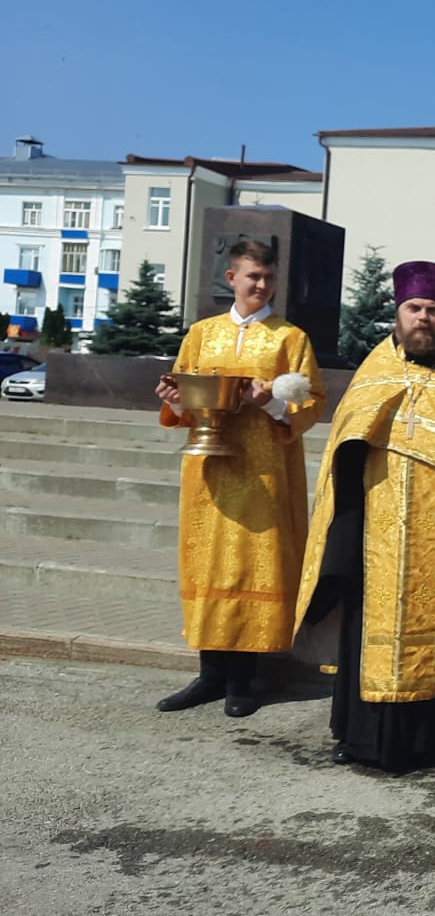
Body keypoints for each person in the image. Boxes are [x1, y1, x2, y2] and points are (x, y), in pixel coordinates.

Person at [295, 262, 435, 770]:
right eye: (414, 309)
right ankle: (361, 734)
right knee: (368, 629)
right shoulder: (376, 372)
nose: (423, 319)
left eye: (433, 310)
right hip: (376, 531)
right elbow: (343, 449)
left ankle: (430, 740)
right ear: (398, 313)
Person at [153, 238, 326, 717]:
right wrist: (173, 399)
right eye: (253, 276)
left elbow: (311, 403)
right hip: (209, 471)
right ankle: (210, 674)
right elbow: (186, 399)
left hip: (263, 469)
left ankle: (245, 679)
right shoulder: (202, 334)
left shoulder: (290, 338)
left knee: (255, 565)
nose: (262, 285)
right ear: (232, 278)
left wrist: (268, 403)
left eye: (269, 278)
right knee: (208, 564)